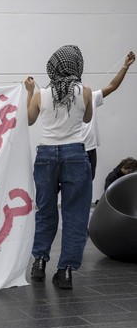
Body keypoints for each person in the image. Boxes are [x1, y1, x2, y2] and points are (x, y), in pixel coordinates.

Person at [24, 45, 93, 289]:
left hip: (45, 155)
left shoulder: (41, 93)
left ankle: (40, 262)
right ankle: (65, 272)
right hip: (75, 153)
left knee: (45, 210)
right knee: (75, 214)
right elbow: (86, 119)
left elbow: (29, 119)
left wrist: (30, 92)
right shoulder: (85, 91)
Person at [82, 51, 135, 179]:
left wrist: (125, 66)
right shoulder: (66, 101)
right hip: (74, 150)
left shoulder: (92, 96)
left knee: (89, 180)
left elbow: (112, 86)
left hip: (90, 148)